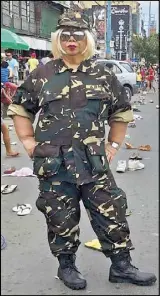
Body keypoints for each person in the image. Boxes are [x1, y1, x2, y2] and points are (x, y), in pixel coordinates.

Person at [7, 11, 156, 290]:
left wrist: (112, 145)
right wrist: (27, 141)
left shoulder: (103, 75)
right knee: (60, 216)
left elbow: (121, 113)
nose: (71, 40)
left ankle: (121, 265)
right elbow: (19, 107)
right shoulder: (42, 74)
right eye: (65, 35)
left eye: (77, 35)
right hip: (54, 163)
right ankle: (67, 266)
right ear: (58, 39)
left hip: (93, 162)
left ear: (86, 39)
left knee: (111, 210)